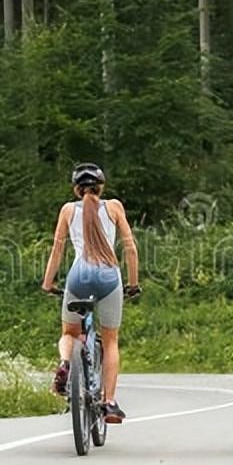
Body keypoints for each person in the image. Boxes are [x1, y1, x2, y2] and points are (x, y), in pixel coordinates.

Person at [41, 163, 141, 423]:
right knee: (110, 341)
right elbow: (130, 250)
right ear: (102, 187)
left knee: (68, 333)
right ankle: (109, 403)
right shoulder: (114, 207)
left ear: (76, 190)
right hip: (109, 276)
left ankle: (65, 363)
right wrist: (132, 283)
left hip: (78, 277)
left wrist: (47, 283)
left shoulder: (67, 210)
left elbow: (57, 251)